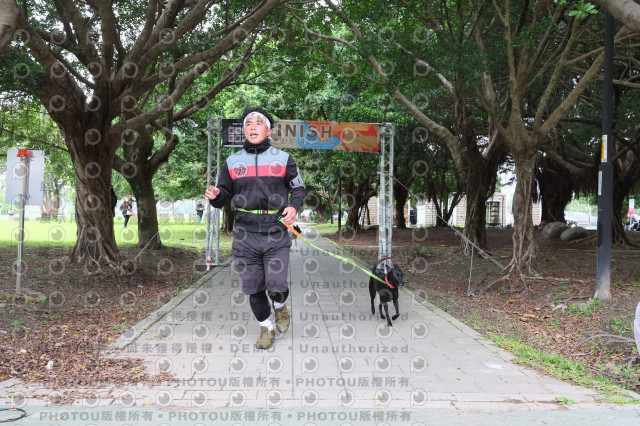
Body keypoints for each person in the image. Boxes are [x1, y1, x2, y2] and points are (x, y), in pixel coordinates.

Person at [205, 107, 306, 350]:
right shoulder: (232, 161)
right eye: (248, 123)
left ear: (268, 130)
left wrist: (294, 207)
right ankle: (266, 329)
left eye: (258, 123)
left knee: (277, 285)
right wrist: (216, 196)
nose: (252, 126)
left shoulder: (283, 159)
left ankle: (280, 306)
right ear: (244, 131)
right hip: (244, 235)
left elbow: (298, 188)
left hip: (276, 233)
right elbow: (224, 194)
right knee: (254, 287)